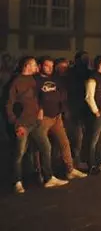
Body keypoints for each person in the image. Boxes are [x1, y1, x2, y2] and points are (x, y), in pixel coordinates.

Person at [7, 57, 68, 193]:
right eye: (35, 65)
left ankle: (48, 178)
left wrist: (40, 109)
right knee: (20, 153)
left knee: (46, 147)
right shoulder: (16, 82)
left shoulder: (33, 80)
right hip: (23, 124)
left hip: (35, 122)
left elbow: (37, 97)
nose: (37, 67)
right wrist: (16, 124)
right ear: (27, 66)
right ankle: (17, 182)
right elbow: (9, 105)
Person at [37, 57, 88, 179]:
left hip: (57, 116)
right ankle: (42, 174)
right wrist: (40, 108)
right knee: (43, 147)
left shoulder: (56, 80)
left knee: (64, 143)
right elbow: (35, 97)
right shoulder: (36, 80)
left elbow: (62, 95)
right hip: (44, 117)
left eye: (51, 65)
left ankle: (69, 169)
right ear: (40, 67)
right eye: (46, 66)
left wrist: (62, 108)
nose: (49, 68)